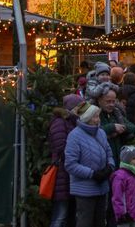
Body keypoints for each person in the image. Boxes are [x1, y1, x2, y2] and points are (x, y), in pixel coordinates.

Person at [64, 102, 115, 227]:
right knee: (85, 222)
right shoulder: (74, 136)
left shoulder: (101, 133)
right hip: (84, 190)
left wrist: (110, 167)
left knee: (100, 222)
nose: (98, 120)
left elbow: (109, 154)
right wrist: (92, 174)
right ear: (87, 117)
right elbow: (70, 164)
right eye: (95, 116)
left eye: (98, 116)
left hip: (102, 187)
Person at [48, 93, 82, 227]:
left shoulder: (73, 122)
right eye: (79, 106)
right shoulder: (60, 122)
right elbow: (61, 147)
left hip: (70, 174)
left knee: (70, 214)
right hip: (63, 173)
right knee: (60, 214)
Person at [100, 87, 135, 165]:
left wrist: (123, 128)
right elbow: (94, 131)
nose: (111, 104)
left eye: (113, 101)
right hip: (104, 160)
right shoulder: (95, 114)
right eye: (108, 101)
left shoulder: (116, 113)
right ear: (100, 100)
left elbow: (134, 129)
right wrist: (112, 127)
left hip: (119, 158)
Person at [112, 146, 135, 227]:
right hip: (125, 216)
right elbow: (117, 197)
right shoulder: (120, 176)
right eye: (134, 158)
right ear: (126, 160)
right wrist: (121, 214)